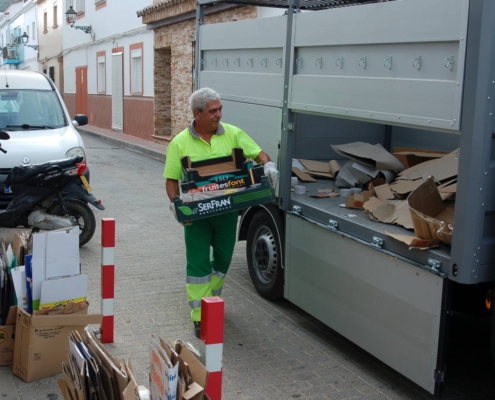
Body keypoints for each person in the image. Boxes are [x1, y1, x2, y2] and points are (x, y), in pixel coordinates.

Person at [163, 87, 279, 338]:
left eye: (220, 109)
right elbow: (171, 180)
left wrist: (267, 165)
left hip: (226, 213)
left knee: (224, 260)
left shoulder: (233, 134)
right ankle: (200, 316)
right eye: (213, 111)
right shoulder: (180, 143)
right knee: (198, 265)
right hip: (197, 216)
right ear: (198, 113)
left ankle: (210, 300)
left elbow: (258, 153)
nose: (218, 115)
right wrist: (176, 205)